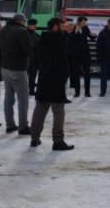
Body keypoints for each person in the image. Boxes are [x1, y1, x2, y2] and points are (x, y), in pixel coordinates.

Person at [30, 17, 74, 151]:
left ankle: (34, 138)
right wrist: (65, 75)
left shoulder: (41, 39)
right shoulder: (60, 41)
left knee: (40, 109)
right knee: (58, 111)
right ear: (55, 26)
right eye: (61, 26)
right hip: (56, 81)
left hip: (44, 79)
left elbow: (36, 59)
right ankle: (58, 140)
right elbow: (64, 61)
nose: (63, 28)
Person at [0, 13, 34, 134]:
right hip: (18, 68)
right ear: (21, 21)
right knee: (23, 98)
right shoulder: (21, 31)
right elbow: (28, 49)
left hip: (4, 67)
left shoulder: (3, 30)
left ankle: (10, 124)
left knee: (8, 97)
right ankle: (23, 126)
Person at [72, 16, 94, 97]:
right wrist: (76, 31)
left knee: (87, 73)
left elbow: (91, 37)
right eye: (83, 23)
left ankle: (87, 92)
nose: (84, 24)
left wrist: (93, 35)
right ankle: (77, 92)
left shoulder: (86, 28)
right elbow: (71, 39)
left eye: (85, 23)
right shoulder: (73, 27)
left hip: (85, 54)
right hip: (76, 54)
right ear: (78, 22)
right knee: (76, 74)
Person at [26, 18, 40, 96]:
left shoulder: (36, 35)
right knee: (24, 77)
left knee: (33, 76)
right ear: (29, 25)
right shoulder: (24, 33)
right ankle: (23, 91)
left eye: (35, 25)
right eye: (33, 25)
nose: (34, 26)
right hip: (26, 60)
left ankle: (31, 90)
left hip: (34, 60)